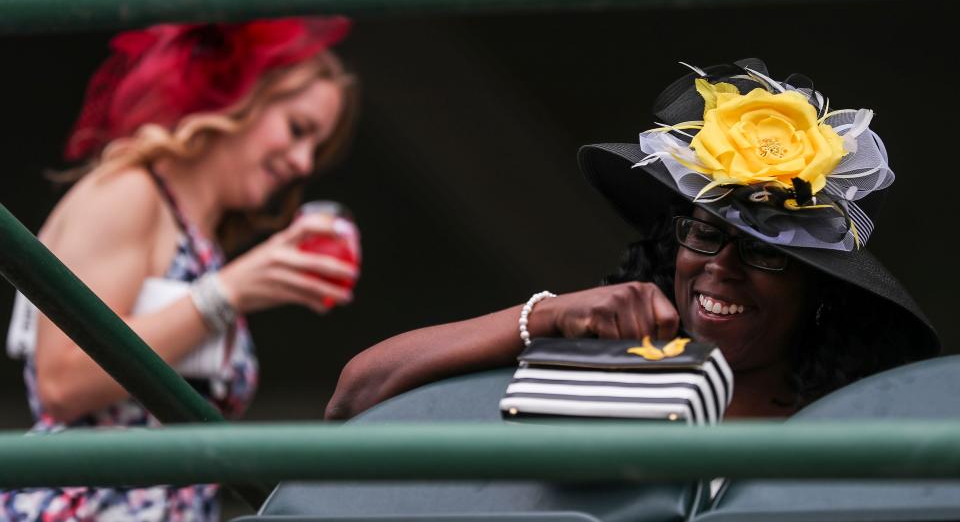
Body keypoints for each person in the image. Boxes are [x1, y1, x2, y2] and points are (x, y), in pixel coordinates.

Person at [326, 58, 939, 421]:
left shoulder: (844, 426)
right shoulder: (596, 372)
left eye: (764, 251)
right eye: (705, 232)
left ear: (819, 289)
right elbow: (355, 397)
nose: (720, 266)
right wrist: (546, 315)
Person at [2, 0, 359, 522]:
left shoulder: (199, 234)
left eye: (315, 149)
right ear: (240, 98)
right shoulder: (129, 191)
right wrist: (229, 293)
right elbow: (63, 381)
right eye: (297, 130)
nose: (302, 163)